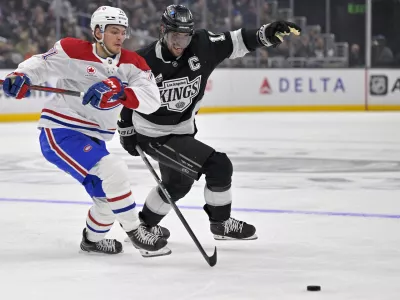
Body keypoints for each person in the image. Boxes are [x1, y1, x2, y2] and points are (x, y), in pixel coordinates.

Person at [118, 5, 301, 241]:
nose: (180, 44)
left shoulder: (202, 45)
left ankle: (143, 225)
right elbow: (124, 96)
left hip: (183, 130)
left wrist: (265, 34)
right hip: (153, 134)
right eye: (175, 36)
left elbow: (236, 41)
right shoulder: (144, 61)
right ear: (163, 31)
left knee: (177, 185)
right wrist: (126, 130)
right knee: (219, 166)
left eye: (185, 37)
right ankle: (221, 222)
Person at [2, 6, 171, 257]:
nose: (120, 37)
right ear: (97, 31)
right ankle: (136, 232)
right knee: (115, 168)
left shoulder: (133, 63)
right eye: (114, 31)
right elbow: (39, 63)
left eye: (123, 32)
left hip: (96, 137)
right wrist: (21, 75)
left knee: (107, 199)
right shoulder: (72, 50)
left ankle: (91, 242)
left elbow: (152, 100)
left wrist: (121, 92)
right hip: (61, 131)